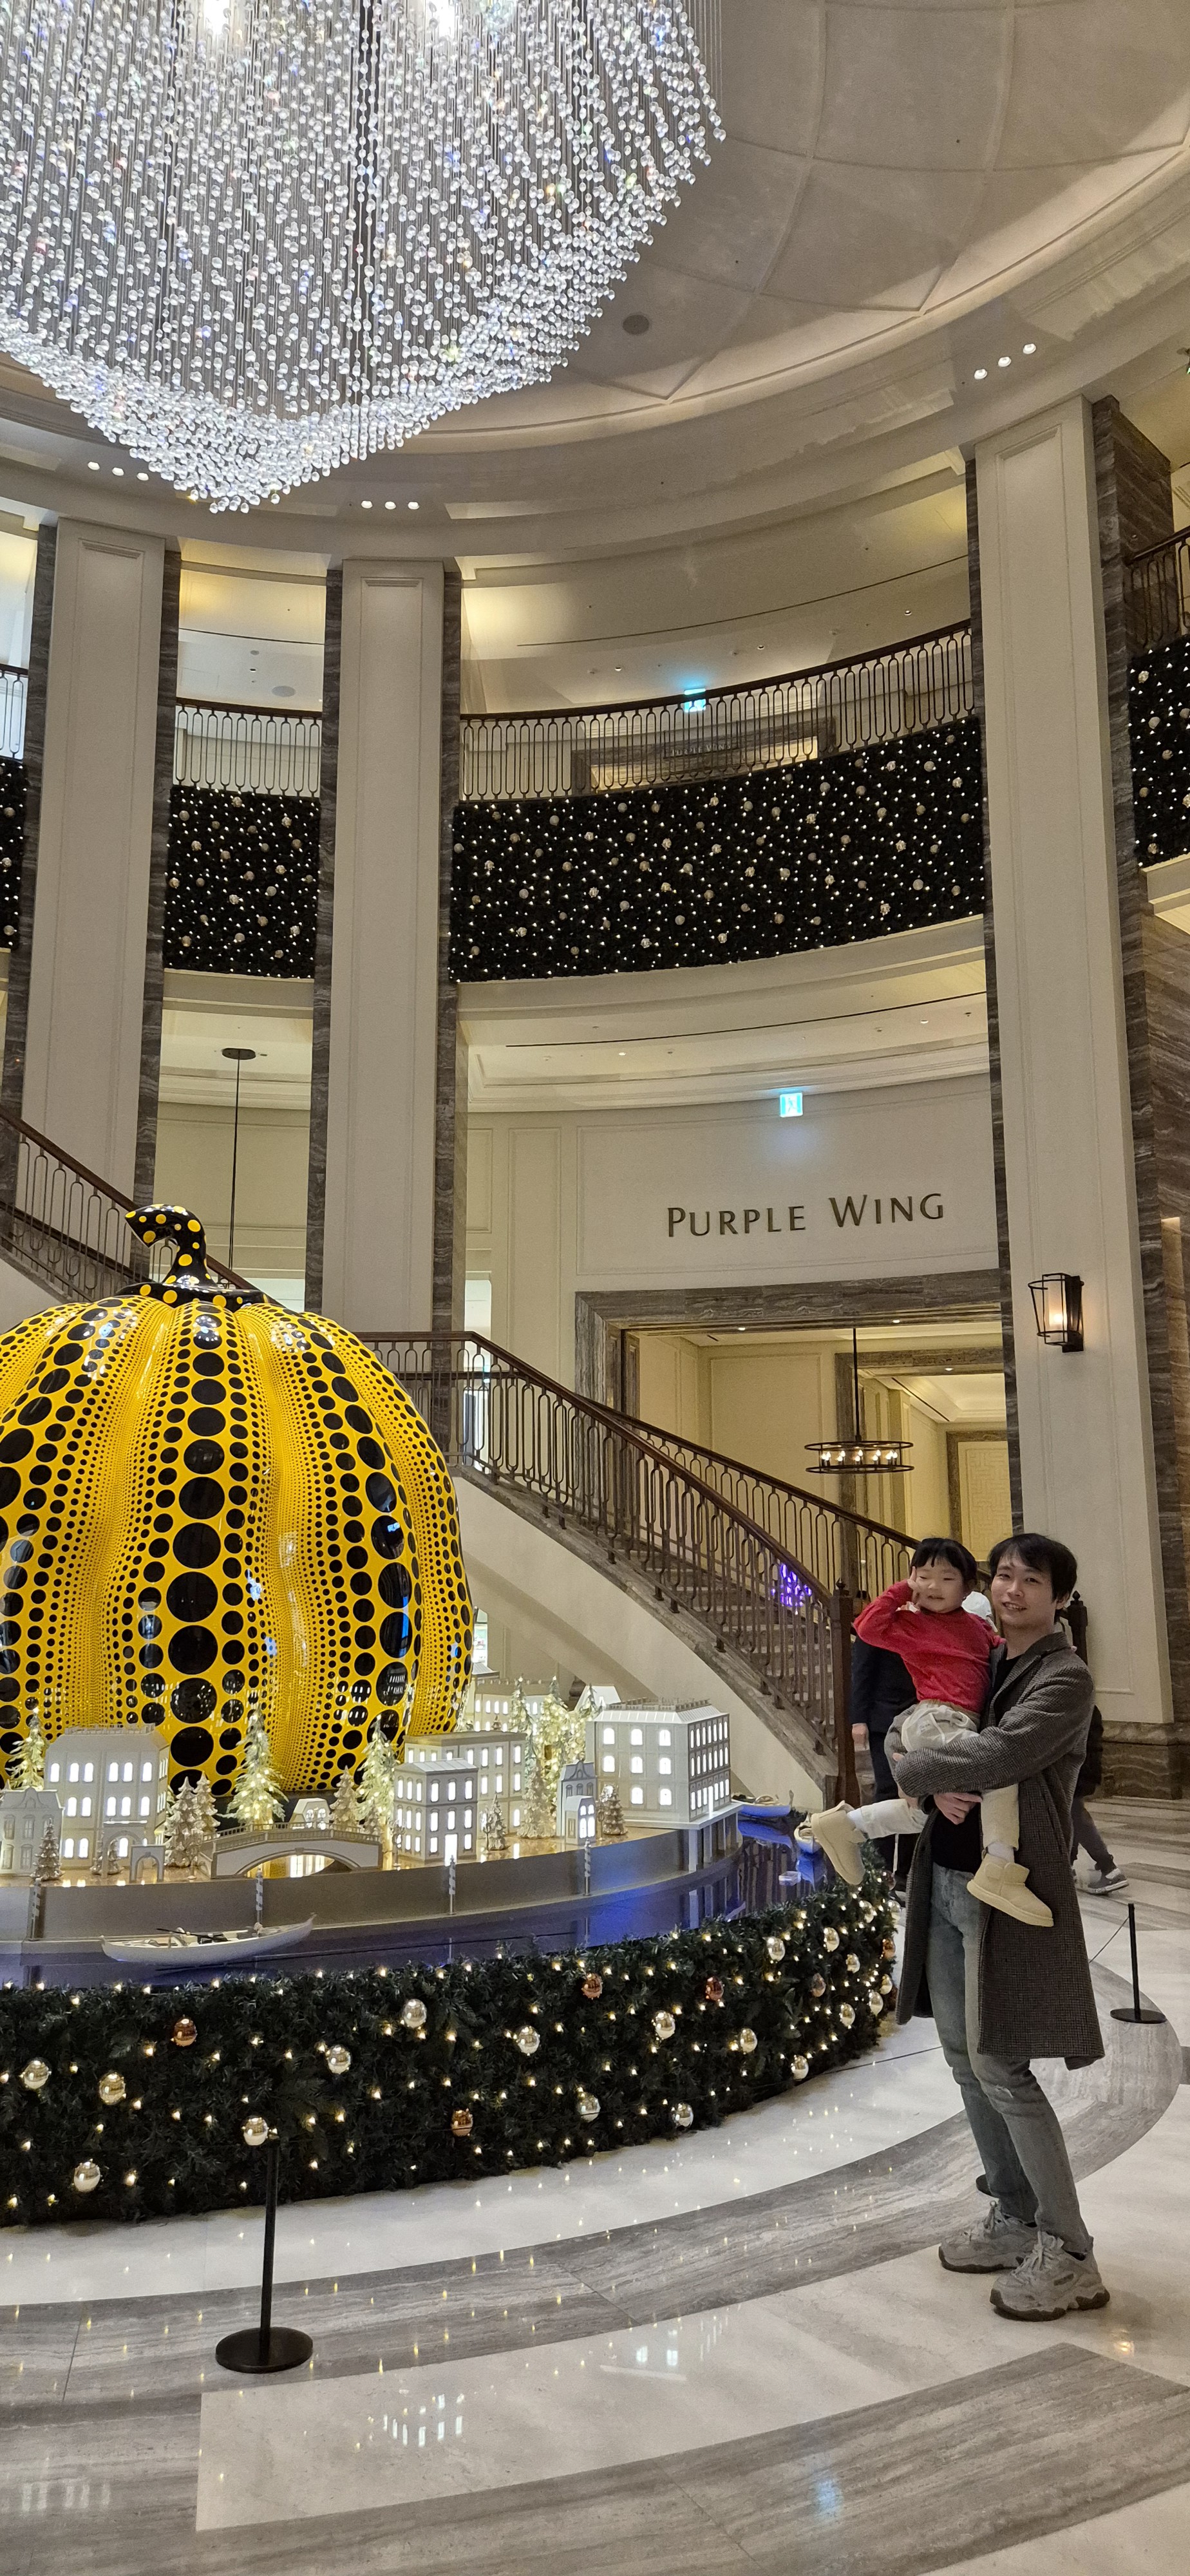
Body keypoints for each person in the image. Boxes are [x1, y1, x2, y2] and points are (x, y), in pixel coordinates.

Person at [888, 1530, 1108, 2324]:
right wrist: (920, 1770)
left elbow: (999, 1754)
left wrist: (915, 1771)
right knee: (964, 2059)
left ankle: (1070, 2252)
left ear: (1060, 1597)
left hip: (1006, 1892)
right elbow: (914, 1719)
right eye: (1004, 1575)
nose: (1012, 1589)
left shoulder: (1064, 1678)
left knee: (1005, 2067)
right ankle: (1014, 2215)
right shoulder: (985, 1659)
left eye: (1031, 1580)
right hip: (948, 1878)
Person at [800, 1539, 1053, 1927]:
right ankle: (1000, 1865)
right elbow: (866, 1628)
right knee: (1001, 1766)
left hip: (958, 1721)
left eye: (947, 1578)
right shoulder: (912, 1624)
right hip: (937, 1717)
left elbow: (1001, 1654)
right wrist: (903, 1591)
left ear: (968, 1588)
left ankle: (849, 1825)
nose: (933, 1586)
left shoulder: (976, 1626)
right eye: (923, 1576)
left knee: (926, 1814)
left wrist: (1043, 1653)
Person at [849, 1627, 916, 1886]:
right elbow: (861, 1673)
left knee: (914, 1795)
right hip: (883, 1720)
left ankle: (906, 1872)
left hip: (916, 1718)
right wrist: (858, 1720)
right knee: (887, 1791)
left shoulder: (921, 1622)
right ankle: (881, 1869)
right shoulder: (874, 1626)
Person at [1071, 1708, 1127, 1894]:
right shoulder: (1086, 1703)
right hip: (1084, 1768)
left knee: (1076, 1818)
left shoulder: (1075, 1702)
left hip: (1077, 1770)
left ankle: (1109, 1869)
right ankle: (1068, 1865)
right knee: (1072, 1816)